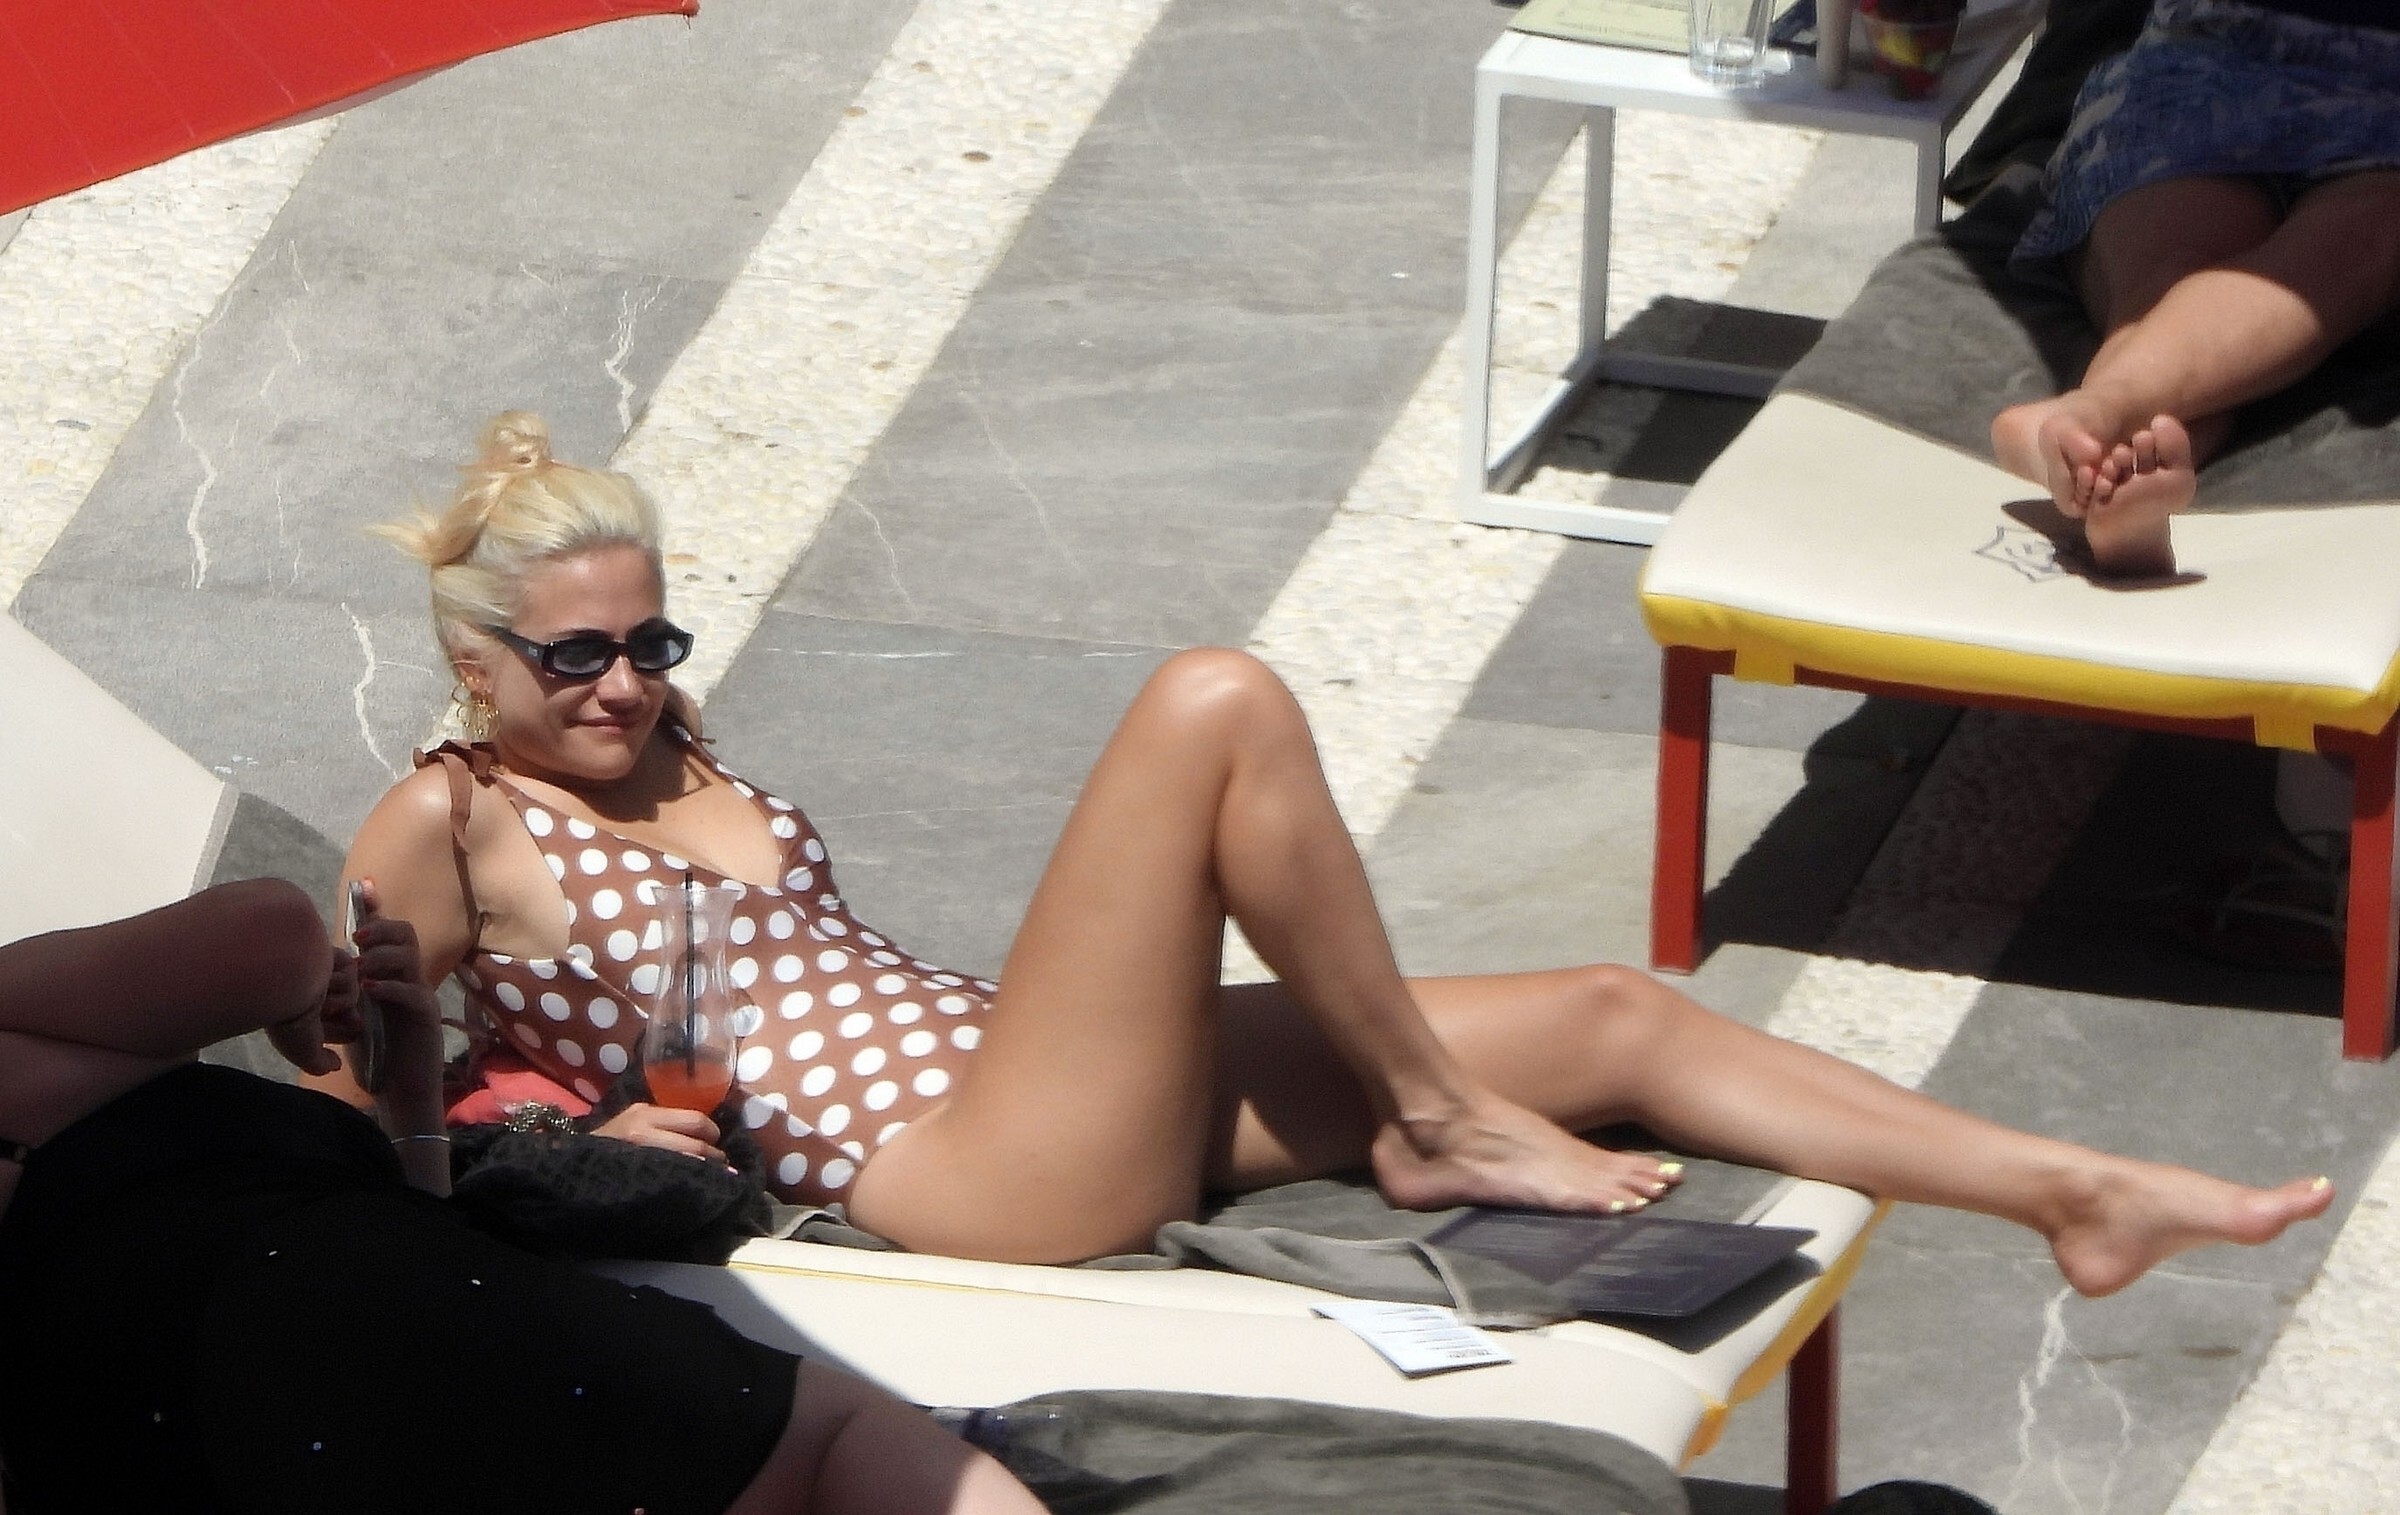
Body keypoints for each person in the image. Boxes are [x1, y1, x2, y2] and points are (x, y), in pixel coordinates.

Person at [339, 411, 2332, 1289]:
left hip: (1018, 1065)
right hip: (951, 1169)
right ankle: (1437, 1117)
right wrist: (568, 1142)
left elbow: (723, 974)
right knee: (1211, 701)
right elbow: (348, 1082)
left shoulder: (667, 745)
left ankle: (2071, 1191)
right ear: (472, 663)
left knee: (1613, 1012)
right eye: (575, 655)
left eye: (651, 641)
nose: (623, 683)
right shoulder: (450, 819)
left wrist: (627, 1070)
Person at [0, 879, 1041, 1515]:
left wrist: (411, 1096)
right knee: (840, 1448)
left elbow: (414, 1236)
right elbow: (267, 931)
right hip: (402, 1353)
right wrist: (301, 987)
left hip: (221, 1422)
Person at [1988, 0, 2400, 576]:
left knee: (2368, 232)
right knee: (2175, 280)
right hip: (2205, 57)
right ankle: (2105, 431)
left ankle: (2095, 429)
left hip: (2377, 97)